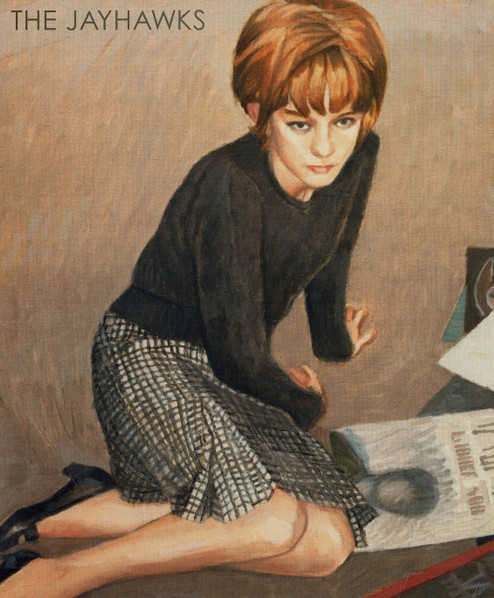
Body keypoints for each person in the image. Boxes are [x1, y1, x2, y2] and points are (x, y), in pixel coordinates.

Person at [0, 0, 388, 595]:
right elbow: (239, 355)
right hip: (148, 355)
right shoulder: (227, 185)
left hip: (225, 367)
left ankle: (66, 518)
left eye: (345, 120)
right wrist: (301, 402)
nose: (325, 147)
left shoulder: (358, 156)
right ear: (258, 112)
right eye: (299, 123)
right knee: (272, 521)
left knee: (327, 545)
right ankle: (51, 578)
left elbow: (332, 256)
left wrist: (335, 341)